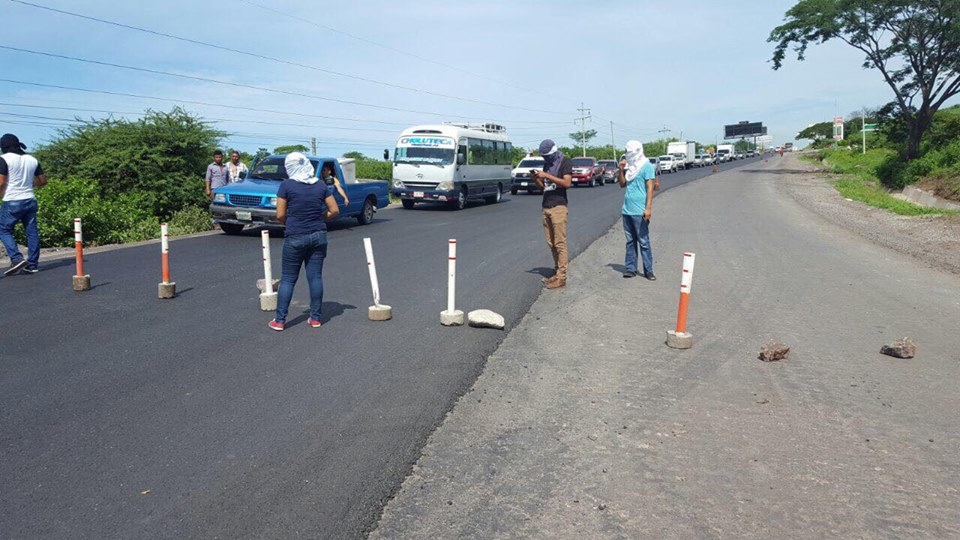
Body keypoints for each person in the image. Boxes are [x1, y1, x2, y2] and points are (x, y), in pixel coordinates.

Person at [269, 152, 340, 331]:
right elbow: (334, 210)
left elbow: (280, 214)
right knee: (315, 277)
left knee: (288, 279)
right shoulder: (320, 185)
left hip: (295, 236)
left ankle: (280, 320)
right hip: (318, 235)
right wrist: (319, 219)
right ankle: (315, 318)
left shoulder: (286, 186)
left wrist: (291, 223)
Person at [0, 133, 47, 275]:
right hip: (30, 200)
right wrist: (28, 184)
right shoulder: (32, 159)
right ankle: (32, 265)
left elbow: (1, 182)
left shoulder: (4, 159)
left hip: (12, 201)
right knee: (32, 232)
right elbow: (43, 181)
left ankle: (16, 258)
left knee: (4, 230)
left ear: (4, 147)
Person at [530, 139, 572, 289]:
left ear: (554, 152)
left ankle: (562, 277)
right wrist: (536, 179)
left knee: (560, 243)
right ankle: (556, 271)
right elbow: (544, 188)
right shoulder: (547, 164)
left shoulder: (565, 162)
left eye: (547, 156)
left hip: (558, 206)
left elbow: (567, 183)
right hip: (546, 205)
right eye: (544, 156)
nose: (545, 159)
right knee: (551, 242)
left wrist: (546, 175)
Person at [617, 140, 656, 280]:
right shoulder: (630, 167)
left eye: (629, 153)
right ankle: (630, 268)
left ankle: (648, 270)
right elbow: (622, 184)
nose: (627, 155)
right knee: (630, 241)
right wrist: (621, 169)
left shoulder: (646, 166)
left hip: (640, 211)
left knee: (643, 241)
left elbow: (650, 188)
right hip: (627, 210)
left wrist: (648, 208)